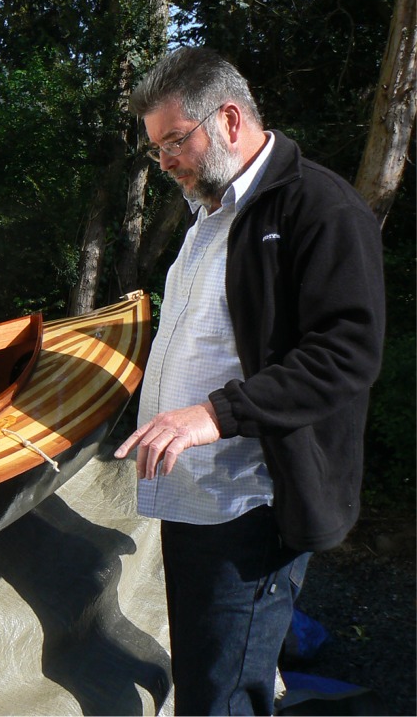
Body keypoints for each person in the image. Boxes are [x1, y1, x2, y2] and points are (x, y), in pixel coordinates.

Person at [113, 48, 385, 715]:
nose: (164, 162)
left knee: (222, 696)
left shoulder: (318, 208)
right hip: (192, 494)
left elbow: (345, 353)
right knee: (208, 678)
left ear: (228, 119)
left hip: (252, 502)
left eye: (173, 141)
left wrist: (211, 416)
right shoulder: (210, 213)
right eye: (156, 150)